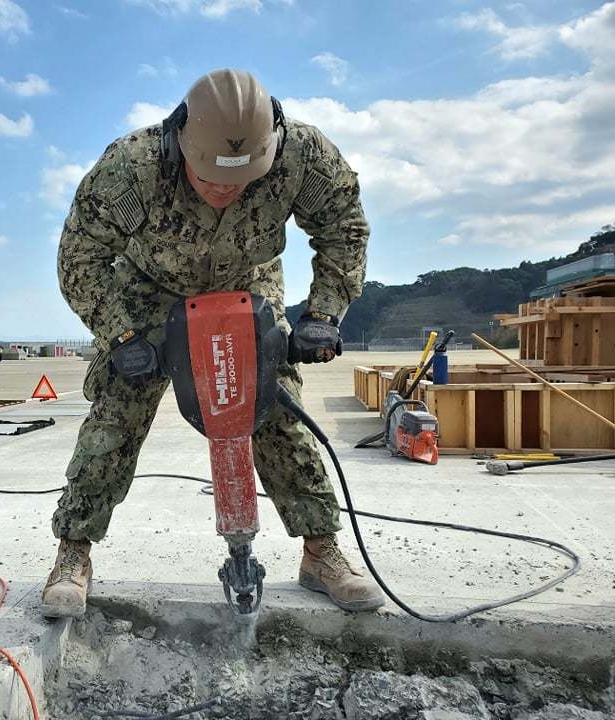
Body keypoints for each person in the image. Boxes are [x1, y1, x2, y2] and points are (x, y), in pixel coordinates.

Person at [43, 68, 381, 618]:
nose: (226, 190)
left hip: (248, 281)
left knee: (279, 410)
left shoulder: (304, 155)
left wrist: (323, 313)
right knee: (117, 410)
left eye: (243, 179)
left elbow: (343, 227)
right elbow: (79, 258)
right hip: (149, 289)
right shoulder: (131, 169)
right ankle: (72, 554)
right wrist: (120, 335)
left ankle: (322, 552)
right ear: (181, 144)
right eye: (212, 178)